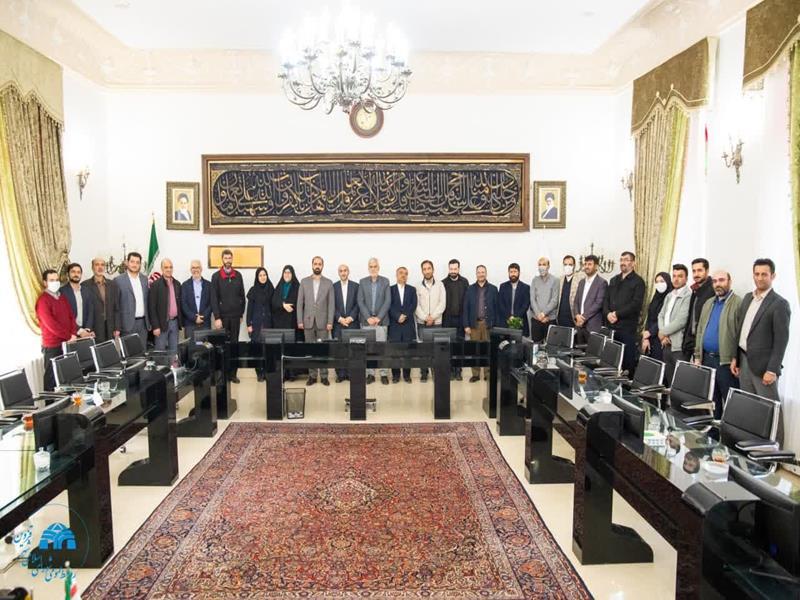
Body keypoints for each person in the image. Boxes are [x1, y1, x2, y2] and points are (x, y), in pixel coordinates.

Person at [731, 258, 791, 444]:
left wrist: (772, 369)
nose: (760, 278)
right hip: (744, 361)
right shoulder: (748, 298)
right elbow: (741, 330)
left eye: (764, 274)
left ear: (773, 276)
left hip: (764, 367)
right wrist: (735, 357)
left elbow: (781, 341)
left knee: (770, 410)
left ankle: (776, 452)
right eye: (757, 274)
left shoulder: (779, 303)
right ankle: (753, 447)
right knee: (750, 408)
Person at [693, 271, 741, 419]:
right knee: (712, 403)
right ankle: (713, 433)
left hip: (725, 363)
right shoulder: (709, 303)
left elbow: (740, 334)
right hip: (707, 360)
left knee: (731, 404)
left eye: (721, 280)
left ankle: (729, 434)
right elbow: (700, 329)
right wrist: (697, 356)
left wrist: (736, 359)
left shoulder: (738, 303)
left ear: (729, 282)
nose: (717, 284)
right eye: (714, 281)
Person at [603, 251, 645, 374]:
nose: (623, 263)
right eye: (621, 260)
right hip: (611, 326)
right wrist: (608, 313)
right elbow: (605, 300)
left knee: (626, 364)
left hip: (627, 328)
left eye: (626, 260)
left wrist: (617, 314)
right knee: (610, 361)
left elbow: (635, 304)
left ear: (633, 263)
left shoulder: (638, 282)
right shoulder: (613, 280)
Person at [36, 269, 78, 391]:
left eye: (57, 280)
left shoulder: (62, 297)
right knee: (51, 377)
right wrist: (68, 336)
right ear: (45, 282)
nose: (55, 282)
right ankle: (50, 402)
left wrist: (73, 333)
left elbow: (71, 316)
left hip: (67, 342)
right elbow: (51, 324)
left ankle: (67, 400)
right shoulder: (43, 300)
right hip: (52, 345)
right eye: (51, 280)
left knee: (67, 375)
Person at [297, 256, 334, 386]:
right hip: (307, 321)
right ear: (312, 265)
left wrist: (330, 322)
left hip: (323, 322)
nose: (317, 266)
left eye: (319, 264)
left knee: (323, 350)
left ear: (322, 266)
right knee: (310, 350)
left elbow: (331, 304)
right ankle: (312, 376)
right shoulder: (304, 282)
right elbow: (299, 303)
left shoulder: (328, 283)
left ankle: (324, 376)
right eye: (315, 264)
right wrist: (299, 320)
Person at [210, 248, 245, 383]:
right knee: (223, 346)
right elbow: (214, 298)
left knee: (234, 345)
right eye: (226, 258)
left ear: (232, 259)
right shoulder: (216, 277)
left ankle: (233, 374)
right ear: (222, 260)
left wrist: (241, 313)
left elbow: (242, 296)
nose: (228, 260)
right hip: (223, 318)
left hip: (236, 317)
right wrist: (217, 317)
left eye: (230, 258)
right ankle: (223, 375)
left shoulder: (238, 275)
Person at [357, 258, 391, 385]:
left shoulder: (385, 281)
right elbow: (360, 301)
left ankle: (383, 374)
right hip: (367, 322)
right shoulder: (362, 282)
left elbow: (387, 301)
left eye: (375, 266)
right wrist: (368, 318)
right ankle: (370, 374)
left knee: (382, 349)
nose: (373, 268)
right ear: (368, 268)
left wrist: (378, 318)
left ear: (378, 267)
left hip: (381, 321)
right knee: (368, 350)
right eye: (371, 266)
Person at [657, 264, 692, 384]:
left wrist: (662, 332)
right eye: (674, 276)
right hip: (665, 343)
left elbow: (681, 321)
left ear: (686, 278)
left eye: (680, 276)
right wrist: (663, 335)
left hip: (678, 346)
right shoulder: (669, 295)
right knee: (669, 380)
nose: (676, 279)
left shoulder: (688, 295)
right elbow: (661, 315)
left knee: (679, 383)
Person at [463, 265, 498, 382]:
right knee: (475, 350)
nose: (481, 274)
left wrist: (495, 325)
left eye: (483, 272)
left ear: (486, 273)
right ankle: (476, 374)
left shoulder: (493, 289)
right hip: (474, 324)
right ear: (476, 274)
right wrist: (466, 325)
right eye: (479, 272)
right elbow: (466, 308)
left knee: (488, 350)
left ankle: (488, 373)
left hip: (488, 324)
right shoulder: (470, 289)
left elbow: (496, 308)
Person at [415, 260, 446, 381]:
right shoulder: (417, 286)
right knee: (423, 349)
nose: (427, 271)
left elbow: (442, 303)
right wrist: (425, 317)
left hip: (436, 323)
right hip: (422, 323)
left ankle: (436, 372)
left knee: (437, 349)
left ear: (433, 270)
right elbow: (416, 305)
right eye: (424, 269)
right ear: (422, 271)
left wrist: (432, 317)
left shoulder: (440, 285)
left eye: (429, 268)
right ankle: (424, 372)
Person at [115, 251, 150, 348]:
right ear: (127, 262)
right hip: (127, 324)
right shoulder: (118, 280)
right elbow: (116, 306)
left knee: (142, 352)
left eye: (137, 262)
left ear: (140, 264)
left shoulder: (144, 279)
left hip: (143, 324)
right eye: (132, 261)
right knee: (129, 353)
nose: (135, 265)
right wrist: (117, 326)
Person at [388, 267, 418, 383]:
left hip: (407, 325)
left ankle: (406, 375)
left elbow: (413, 304)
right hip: (394, 326)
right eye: (401, 273)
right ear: (396, 275)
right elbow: (389, 305)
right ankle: (396, 375)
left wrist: (404, 315)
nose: (403, 275)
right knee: (394, 352)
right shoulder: (390, 289)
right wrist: (397, 316)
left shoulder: (412, 289)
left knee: (407, 353)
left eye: (405, 273)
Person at [271, 265, 301, 380]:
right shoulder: (279, 286)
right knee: (281, 349)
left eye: (289, 272)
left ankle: (292, 373)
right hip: (280, 323)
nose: (287, 274)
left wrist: (290, 306)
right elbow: (273, 302)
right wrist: (283, 305)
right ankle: (283, 373)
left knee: (291, 348)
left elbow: (300, 302)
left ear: (292, 274)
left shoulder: (297, 286)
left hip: (292, 323)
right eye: (285, 272)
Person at [148, 258, 183, 356]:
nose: (169, 269)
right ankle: (160, 367)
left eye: (171, 267)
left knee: (174, 352)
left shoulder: (177, 284)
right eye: (166, 267)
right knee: (160, 353)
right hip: (161, 324)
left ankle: (172, 366)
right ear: (162, 269)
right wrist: (155, 326)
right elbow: (152, 307)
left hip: (175, 323)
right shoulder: (155, 285)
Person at [442, 259, 469, 380]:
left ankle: (458, 371)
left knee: (459, 346)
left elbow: (467, 302)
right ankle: (450, 371)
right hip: (447, 320)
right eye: (451, 269)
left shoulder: (464, 282)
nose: (453, 271)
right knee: (448, 347)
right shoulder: (443, 283)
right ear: (449, 269)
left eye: (455, 269)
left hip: (461, 320)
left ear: (458, 269)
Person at [682, 258, 714, 358]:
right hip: (691, 340)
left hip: (703, 343)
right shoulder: (695, 289)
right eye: (694, 271)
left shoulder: (712, 290)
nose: (696, 274)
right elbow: (691, 316)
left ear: (707, 271)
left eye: (700, 270)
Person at [332, 264, 360, 383]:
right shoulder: (333, 287)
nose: (343, 273)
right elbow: (331, 305)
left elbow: (358, 304)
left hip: (352, 323)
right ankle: (340, 374)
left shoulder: (356, 286)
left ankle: (350, 373)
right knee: (339, 350)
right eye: (341, 271)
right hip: (338, 324)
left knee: (352, 350)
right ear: (338, 273)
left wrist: (351, 317)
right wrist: (339, 318)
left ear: (348, 272)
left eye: (345, 270)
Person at [246, 267, 274, 382]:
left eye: (264, 275)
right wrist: (249, 324)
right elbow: (249, 309)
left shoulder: (271, 289)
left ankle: (267, 372)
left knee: (268, 350)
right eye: (260, 275)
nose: (263, 277)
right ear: (257, 277)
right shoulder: (253, 290)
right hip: (256, 324)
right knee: (257, 350)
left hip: (268, 323)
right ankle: (259, 373)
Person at [572, 255, 608, 344]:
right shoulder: (581, 282)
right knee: (578, 351)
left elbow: (598, 303)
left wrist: (583, 317)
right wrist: (577, 315)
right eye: (585, 264)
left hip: (593, 327)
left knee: (593, 352)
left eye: (589, 264)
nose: (586, 266)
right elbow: (576, 302)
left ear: (596, 266)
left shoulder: (602, 283)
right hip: (579, 326)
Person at [82, 258, 119, 343]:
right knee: (97, 350)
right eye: (97, 264)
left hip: (110, 327)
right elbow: (84, 311)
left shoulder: (112, 284)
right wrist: (88, 329)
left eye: (102, 265)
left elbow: (116, 308)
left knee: (111, 350)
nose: (100, 267)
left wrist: (117, 327)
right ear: (92, 267)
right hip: (94, 328)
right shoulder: (85, 285)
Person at [640, 272, 672, 361]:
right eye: (657, 282)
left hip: (661, 337)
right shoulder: (656, 297)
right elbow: (649, 316)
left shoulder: (670, 298)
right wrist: (646, 336)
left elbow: (664, 318)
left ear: (668, 282)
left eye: (662, 281)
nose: (659, 284)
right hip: (650, 337)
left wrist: (650, 332)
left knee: (657, 363)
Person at [528, 257, 559, 343]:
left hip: (550, 319)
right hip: (536, 319)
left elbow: (554, 300)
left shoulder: (555, 280)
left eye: (544, 264)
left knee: (551, 345)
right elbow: (532, 299)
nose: (541, 267)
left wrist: (543, 314)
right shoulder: (535, 280)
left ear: (548, 266)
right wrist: (539, 315)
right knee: (536, 345)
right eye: (540, 265)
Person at [60, 262, 94, 338]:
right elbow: (64, 316)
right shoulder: (62, 292)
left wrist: (87, 329)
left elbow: (90, 311)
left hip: (86, 332)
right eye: (73, 272)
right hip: (70, 333)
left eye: (78, 272)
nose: (76, 274)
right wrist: (80, 331)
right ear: (68, 274)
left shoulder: (86, 290)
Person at [180, 260, 212, 341]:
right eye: (193, 268)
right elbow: (183, 304)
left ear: (201, 269)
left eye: (197, 267)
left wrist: (203, 316)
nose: (195, 269)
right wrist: (194, 318)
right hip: (190, 324)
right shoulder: (185, 285)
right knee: (190, 347)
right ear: (190, 270)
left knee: (205, 347)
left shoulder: (209, 285)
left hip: (205, 323)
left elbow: (211, 304)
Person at [497, 262, 530, 336]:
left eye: (515, 272)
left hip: (520, 321)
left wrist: (515, 317)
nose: (513, 274)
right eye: (511, 272)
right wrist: (509, 316)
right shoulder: (503, 286)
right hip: (505, 321)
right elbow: (500, 304)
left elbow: (526, 305)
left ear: (519, 273)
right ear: (508, 273)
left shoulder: (526, 287)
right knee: (505, 342)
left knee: (520, 343)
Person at [556, 255, 583, 329]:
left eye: (570, 265)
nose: (567, 267)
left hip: (573, 318)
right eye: (565, 265)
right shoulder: (559, 279)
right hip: (560, 318)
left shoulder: (580, 279)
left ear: (574, 266)